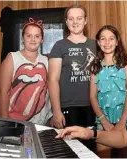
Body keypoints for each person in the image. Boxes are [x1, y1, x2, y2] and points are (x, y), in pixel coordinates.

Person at [48, 4, 96, 150]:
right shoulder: (59, 46)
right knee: (70, 150)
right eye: (71, 19)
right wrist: (56, 111)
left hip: (93, 107)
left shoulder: (96, 45)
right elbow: (52, 80)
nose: (75, 22)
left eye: (79, 18)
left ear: (85, 20)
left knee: (90, 150)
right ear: (67, 22)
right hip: (68, 106)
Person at [89, 25, 127, 158]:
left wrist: (122, 122)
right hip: (103, 119)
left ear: (117, 41)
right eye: (103, 39)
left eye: (111, 39)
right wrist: (103, 121)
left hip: (125, 119)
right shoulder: (95, 67)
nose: (107, 42)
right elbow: (92, 97)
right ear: (98, 42)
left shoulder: (126, 64)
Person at [0, 17, 52, 125]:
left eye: (37, 36)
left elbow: (51, 90)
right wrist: (5, 122)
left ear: (42, 39)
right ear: (23, 37)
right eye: (29, 36)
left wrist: (52, 117)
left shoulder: (47, 61)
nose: (33, 39)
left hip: (43, 123)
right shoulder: (12, 58)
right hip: (16, 123)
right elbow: (3, 92)